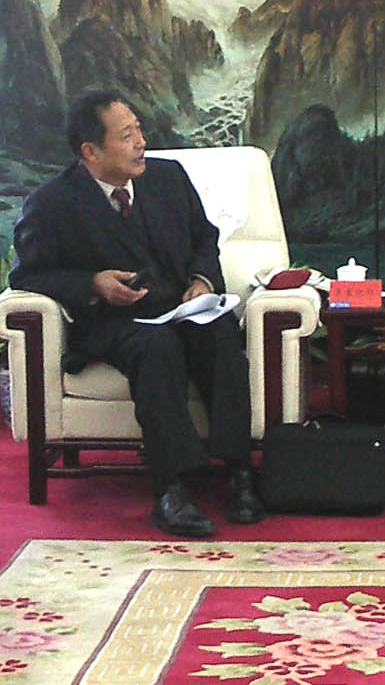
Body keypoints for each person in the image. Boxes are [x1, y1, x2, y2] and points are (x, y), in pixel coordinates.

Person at [10, 92, 265, 537]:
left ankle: (239, 471)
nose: (141, 143)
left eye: (139, 130)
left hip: (181, 304)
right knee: (155, 346)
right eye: (127, 136)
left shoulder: (168, 178)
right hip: (114, 322)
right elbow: (28, 274)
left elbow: (204, 239)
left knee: (220, 331)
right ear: (91, 152)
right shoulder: (52, 203)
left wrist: (202, 281)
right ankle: (172, 488)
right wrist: (92, 284)